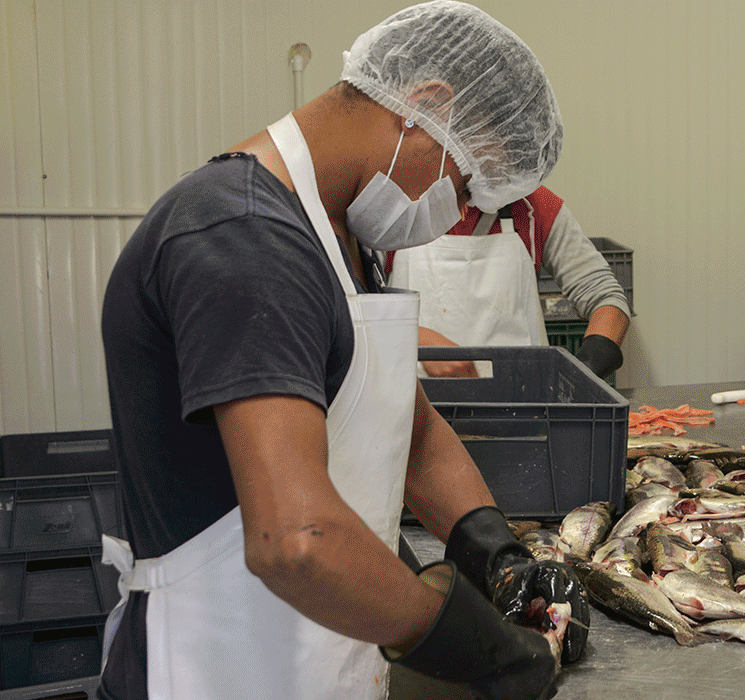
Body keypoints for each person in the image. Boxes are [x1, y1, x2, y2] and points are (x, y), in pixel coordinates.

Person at [97, 3, 583, 698]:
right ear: (423, 106)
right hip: (224, 668)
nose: (454, 209)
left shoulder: (338, 238)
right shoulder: (242, 236)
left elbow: (409, 433)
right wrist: (486, 653)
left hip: (325, 656)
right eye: (464, 181)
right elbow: (296, 543)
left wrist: (495, 551)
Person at [387, 186, 631, 380]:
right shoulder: (394, 207)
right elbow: (351, 308)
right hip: (413, 407)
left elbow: (606, 297)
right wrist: (419, 338)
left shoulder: (534, 206)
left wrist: (585, 369)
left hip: (520, 406)